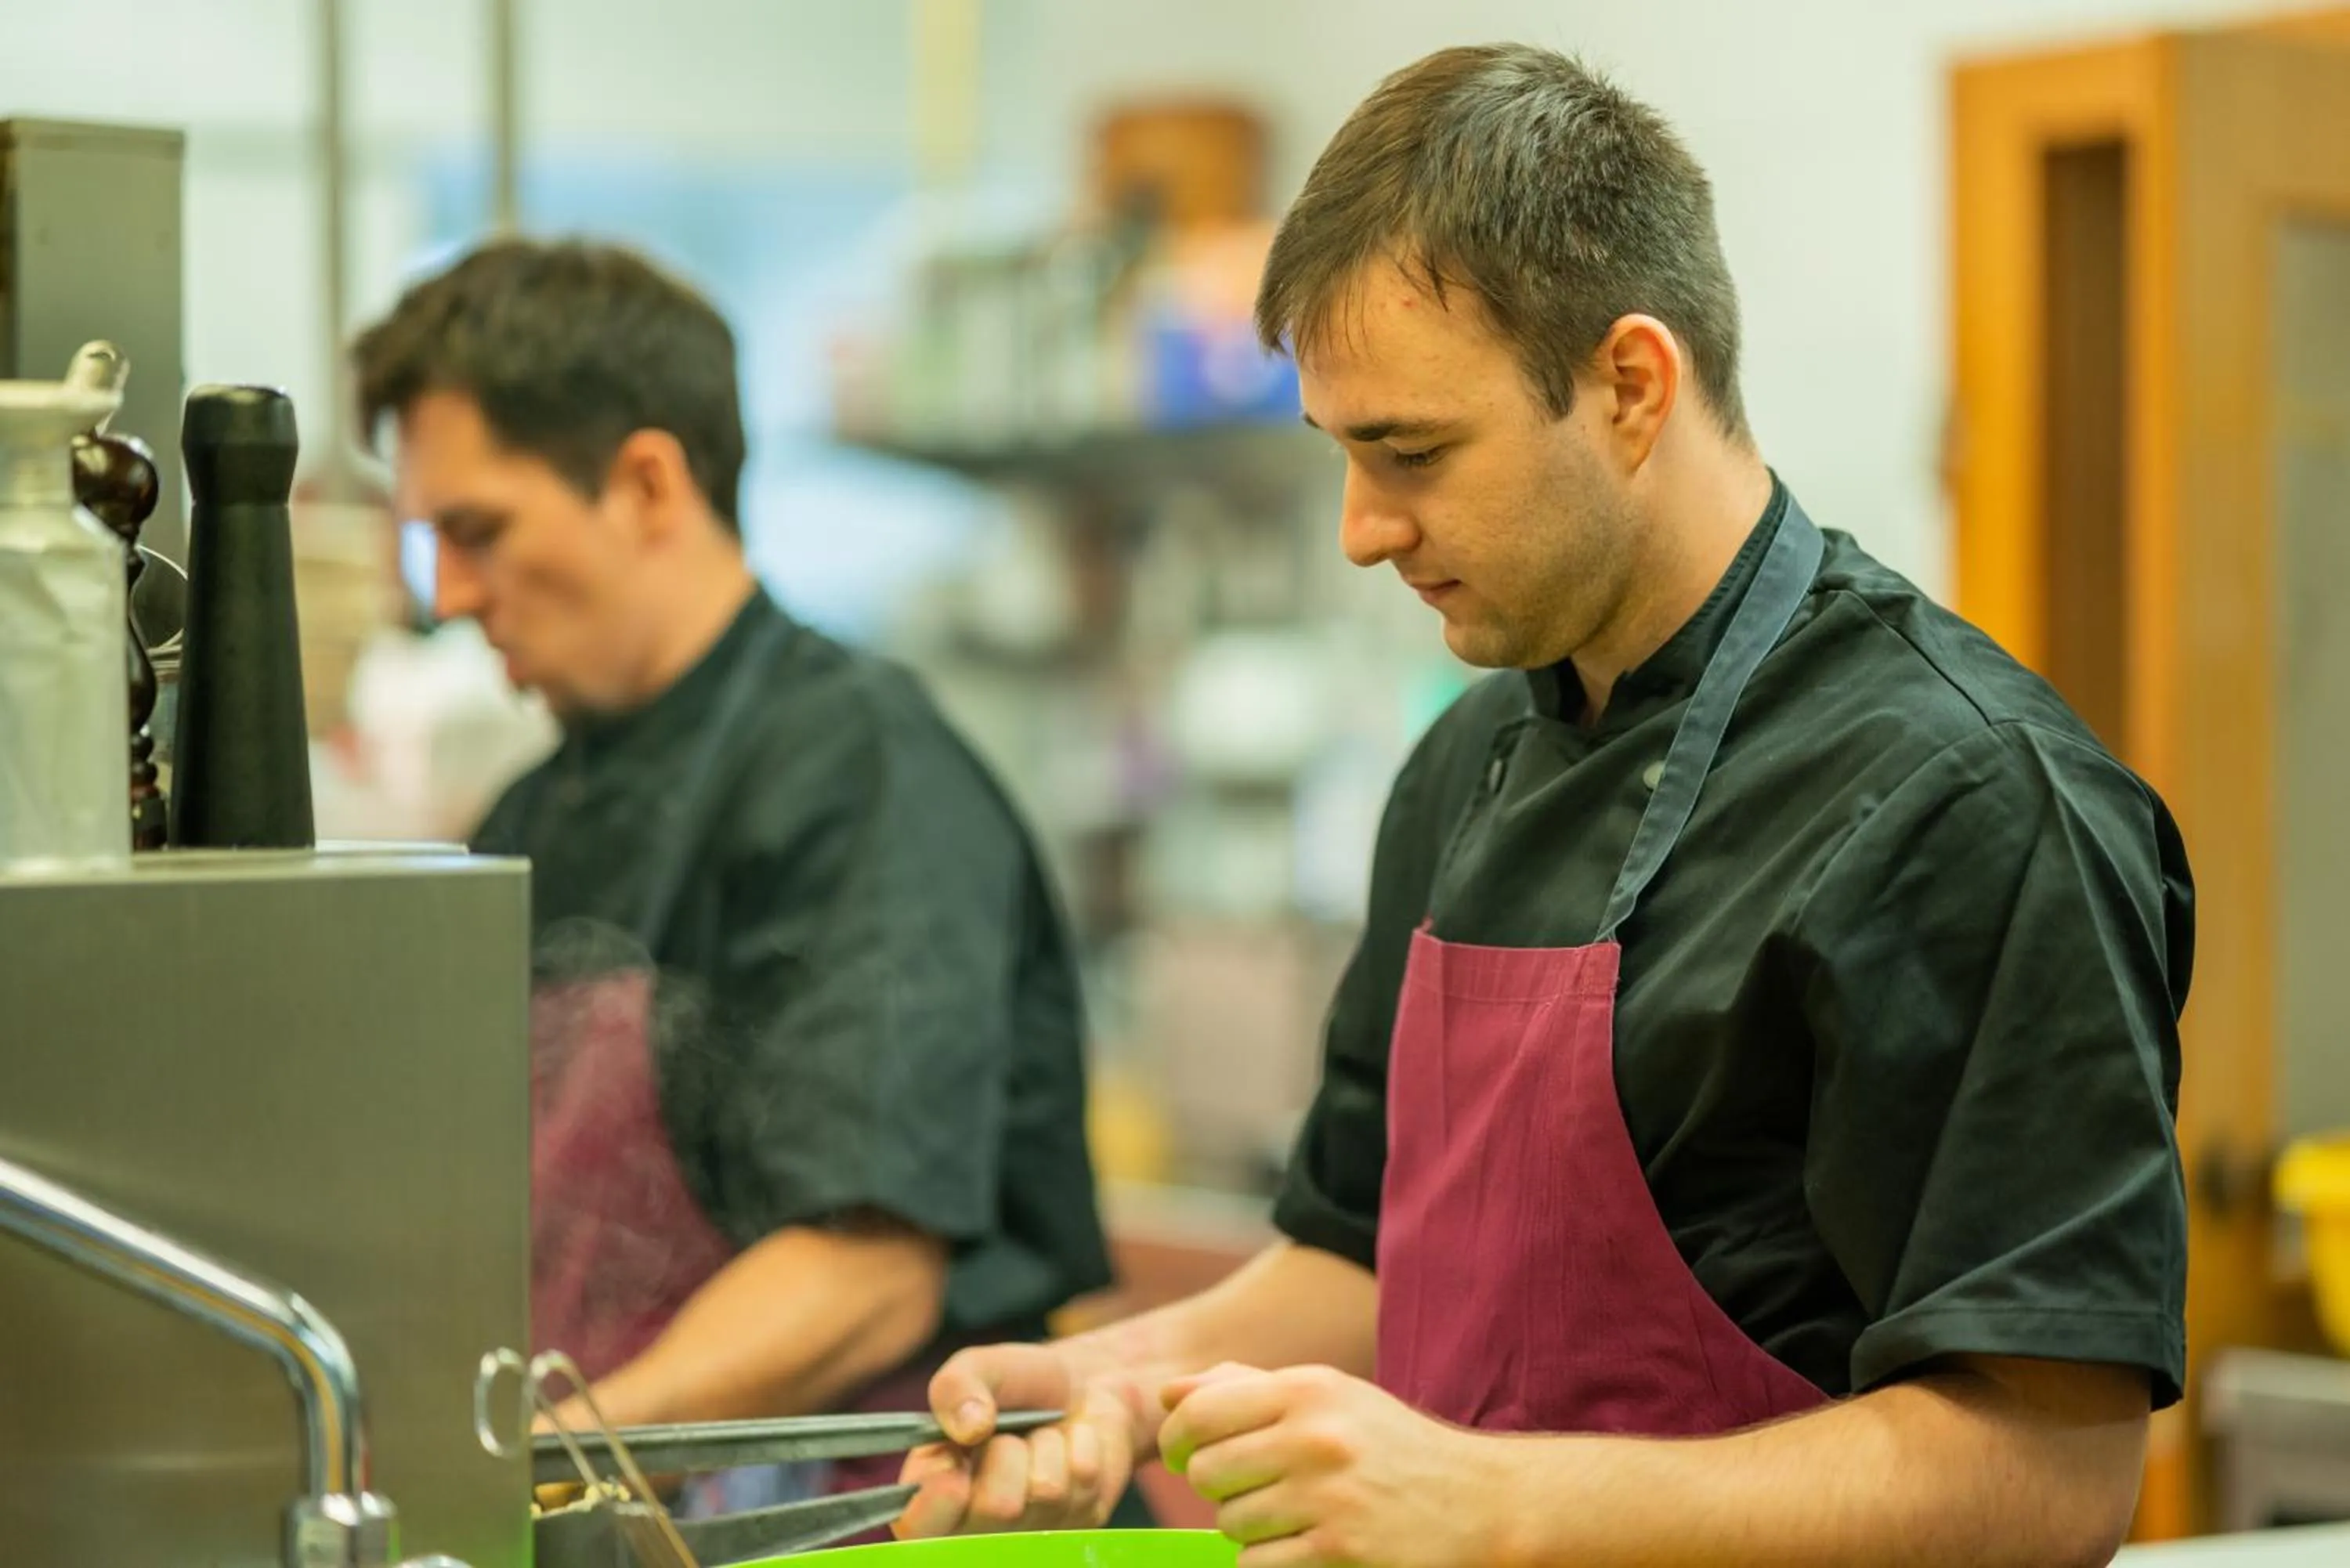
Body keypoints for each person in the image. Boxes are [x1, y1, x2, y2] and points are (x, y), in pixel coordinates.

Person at [895, 43, 2192, 1568]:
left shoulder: (1967, 797)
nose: (1365, 530)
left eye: (1414, 452)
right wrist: (1113, 1373)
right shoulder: (1465, 767)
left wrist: (1494, 1502)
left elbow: (2050, 1474)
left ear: (1633, 384)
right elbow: (1368, 1262)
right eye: (1343, 454)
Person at [349, 240, 1116, 1501]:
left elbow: (864, 1275)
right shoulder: (533, 811)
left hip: (872, 1516)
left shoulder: (865, 774)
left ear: (648, 482)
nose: (452, 591)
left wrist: (533, 1469)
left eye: (479, 530)